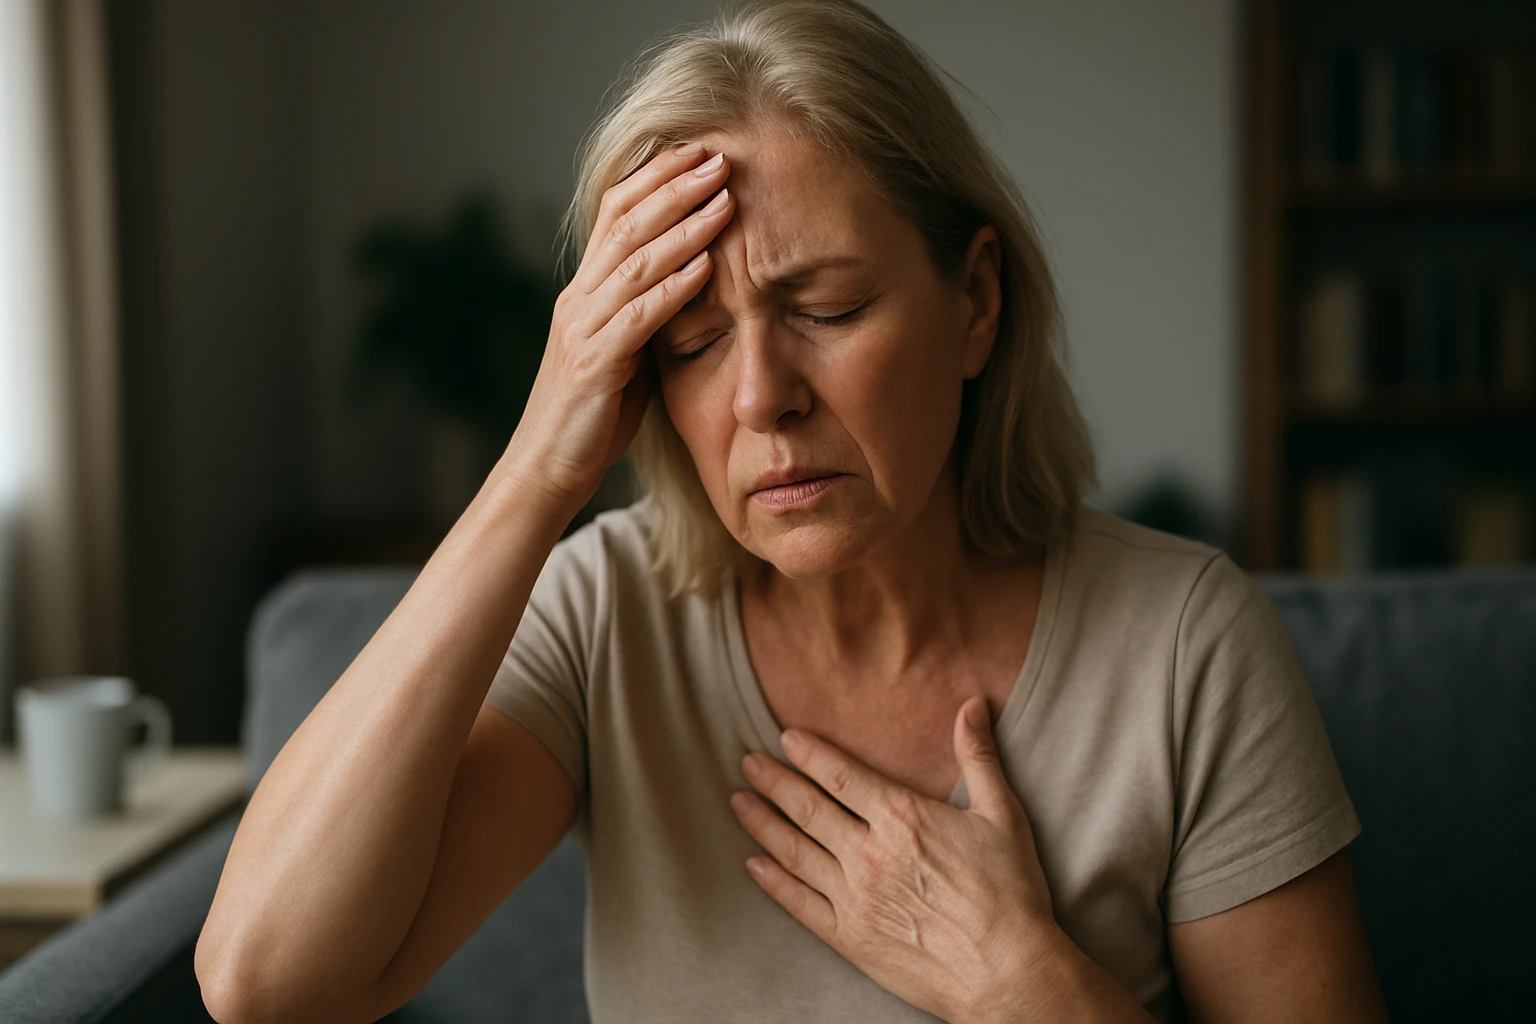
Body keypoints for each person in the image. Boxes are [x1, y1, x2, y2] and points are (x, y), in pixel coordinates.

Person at [196, 2, 1389, 1022]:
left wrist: (1026, 987)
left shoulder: (1186, 645)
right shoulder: (608, 615)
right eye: (694, 342)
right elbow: (265, 982)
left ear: (974, 302)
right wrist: (534, 470)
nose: (762, 397)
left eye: (824, 307)